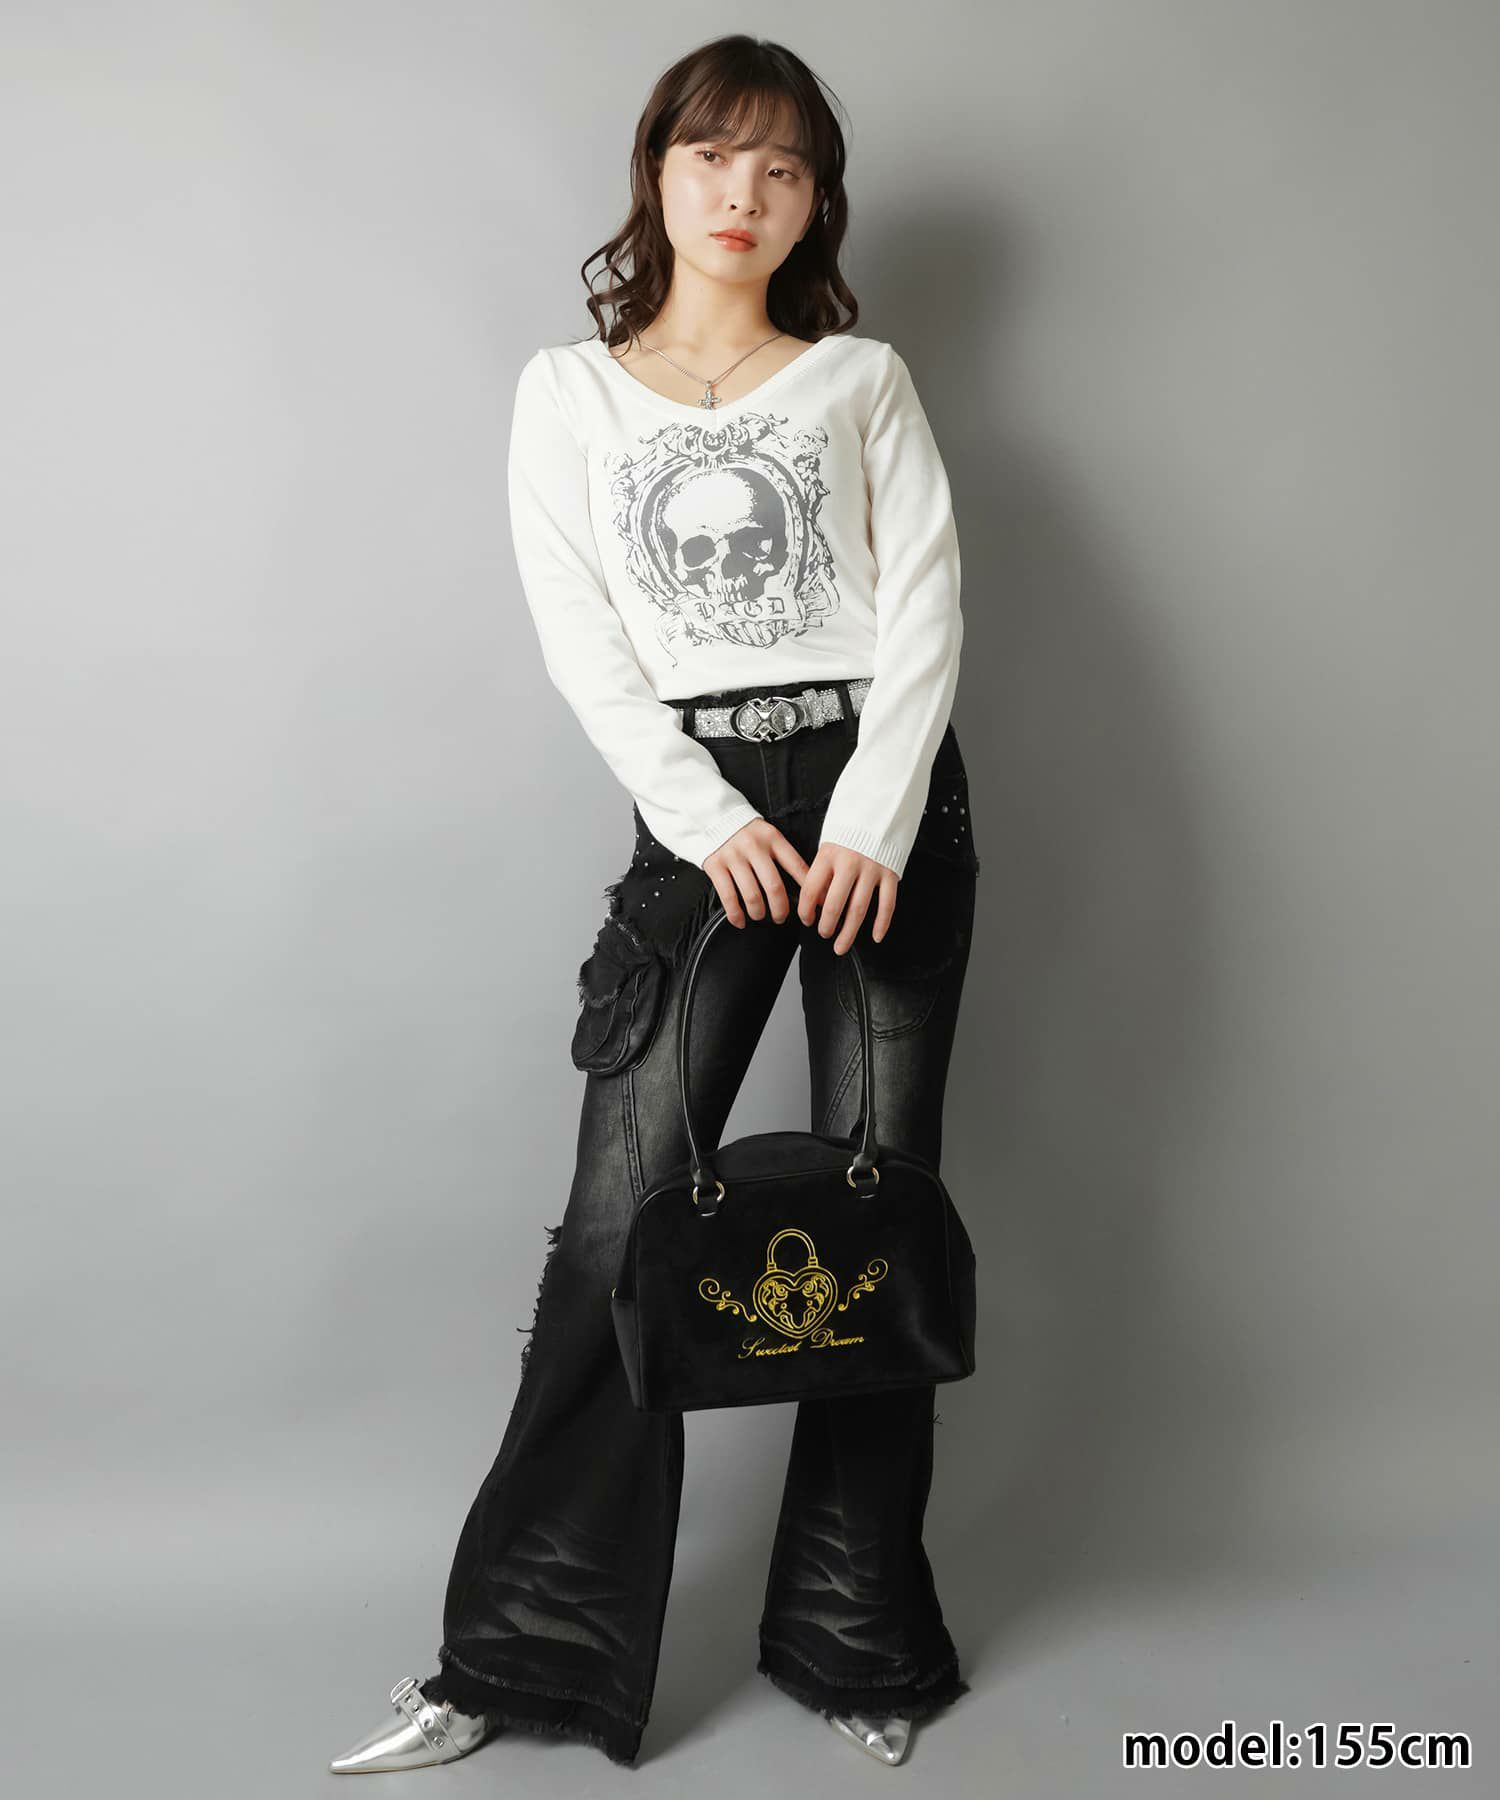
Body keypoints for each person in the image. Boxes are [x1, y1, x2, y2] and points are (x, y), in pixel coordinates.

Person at [330, 31, 981, 1775]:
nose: (742, 193)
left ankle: (859, 1643)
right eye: (712, 157)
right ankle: (516, 1658)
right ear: (659, 173)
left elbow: (926, 604)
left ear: (816, 200)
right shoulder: (571, 392)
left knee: (874, 1211)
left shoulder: (862, 380)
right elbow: (583, 632)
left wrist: (873, 822)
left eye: (782, 167)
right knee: (618, 1222)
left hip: (887, 808)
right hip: (705, 812)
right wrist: (706, 823)